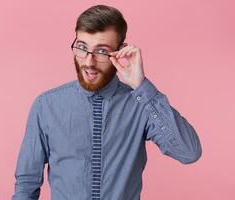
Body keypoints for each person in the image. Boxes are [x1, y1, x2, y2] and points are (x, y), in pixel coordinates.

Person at [12, 4, 202, 200]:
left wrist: (141, 85)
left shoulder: (141, 104)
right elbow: (27, 184)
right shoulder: (46, 106)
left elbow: (189, 152)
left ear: (120, 52)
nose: (89, 62)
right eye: (82, 47)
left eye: (101, 51)